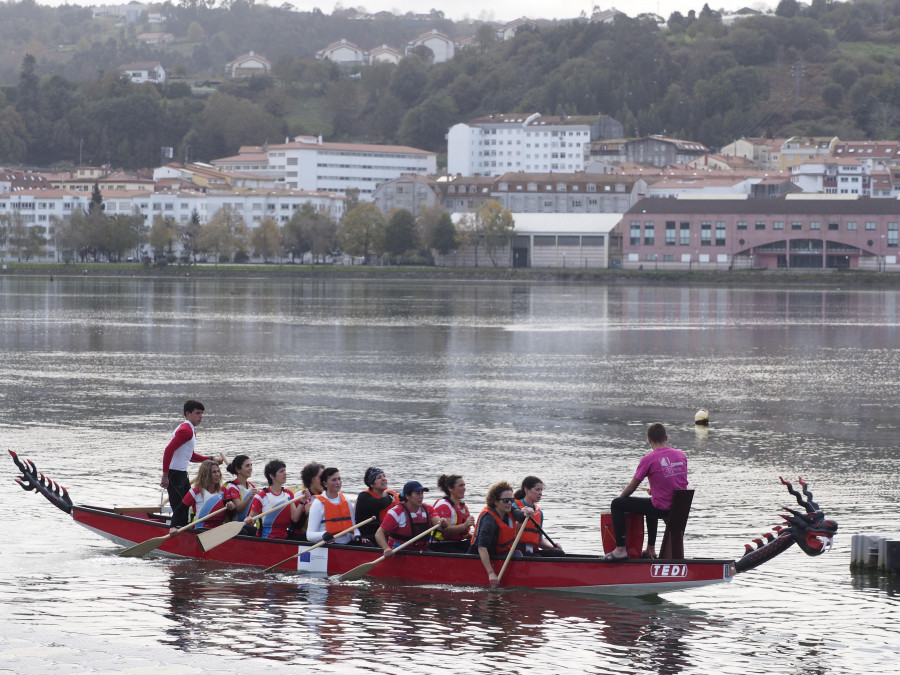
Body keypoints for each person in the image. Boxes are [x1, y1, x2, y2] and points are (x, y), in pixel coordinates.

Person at [605, 422, 688, 561]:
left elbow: (631, 488)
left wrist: (621, 499)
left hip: (662, 508)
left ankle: (620, 550)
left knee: (617, 504)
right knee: (651, 504)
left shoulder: (648, 459)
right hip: (679, 509)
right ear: (666, 438)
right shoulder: (681, 455)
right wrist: (656, 491)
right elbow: (674, 481)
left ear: (649, 440)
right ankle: (650, 548)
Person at [160, 400, 222, 528]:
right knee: (180, 509)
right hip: (174, 475)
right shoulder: (186, 430)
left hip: (182, 475)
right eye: (197, 413)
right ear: (188, 414)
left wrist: (210, 459)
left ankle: (188, 529)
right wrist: (165, 475)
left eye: (202, 413)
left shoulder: (191, 430)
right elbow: (168, 450)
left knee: (188, 506)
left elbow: (191, 456)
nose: (201, 417)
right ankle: (176, 533)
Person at [470, 481, 534, 588]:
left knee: (518, 553)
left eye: (511, 500)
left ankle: (523, 579)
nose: (509, 503)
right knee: (517, 554)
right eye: (506, 500)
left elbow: (520, 516)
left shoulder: (510, 509)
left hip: (498, 553)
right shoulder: (489, 519)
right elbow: (482, 548)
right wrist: (491, 573)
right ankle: (521, 580)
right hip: (481, 556)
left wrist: (526, 512)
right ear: (495, 501)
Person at [375, 481, 447, 556]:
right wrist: (386, 548)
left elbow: (441, 527)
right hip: (399, 553)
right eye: (418, 493)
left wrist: (443, 523)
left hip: (421, 551)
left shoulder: (428, 509)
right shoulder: (396, 512)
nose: (421, 496)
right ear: (407, 496)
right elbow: (379, 533)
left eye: (422, 493)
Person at [246, 459, 308, 539]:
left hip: (284, 539)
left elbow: (294, 519)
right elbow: (252, 522)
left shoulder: (288, 494)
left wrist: (302, 502)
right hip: (265, 539)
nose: (285, 473)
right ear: (271, 476)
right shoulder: (261, 496)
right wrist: (248, 520)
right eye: (281, 471)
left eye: (285, 470)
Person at [306, 467, 364, 545]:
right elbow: (309, 535)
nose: (338, 482)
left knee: (368, 545)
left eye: (339, 479)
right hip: (330, 546)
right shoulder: (318, 504)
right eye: (334, 480)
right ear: (325, 484)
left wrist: (356, 536)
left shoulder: (346, 501)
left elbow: (353, 527)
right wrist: (323, 535)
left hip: (347, 545)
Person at [514, 476, 565, 557]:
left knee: (558, 553)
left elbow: (539, 540)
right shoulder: (514, 507)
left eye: (541, 490)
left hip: (533, 551)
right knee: (537, 557)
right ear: (526, 490)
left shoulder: (539, 513)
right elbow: (509, 532)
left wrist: (553, 547)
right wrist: (523, 516)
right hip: (516, 552)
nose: (540, 493)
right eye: (537, 490)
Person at [171, 459, 226, 532]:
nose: (218, 474)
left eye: (218, 471)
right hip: (201, 529)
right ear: (206, 474)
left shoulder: (223, 491)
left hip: (219, 528)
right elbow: (179, 510)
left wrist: (231, 507)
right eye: (214, 472)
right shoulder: (195, 492)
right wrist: (173, 526)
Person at [430, 474, 475, 553]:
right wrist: (465, 525)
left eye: (464, 485)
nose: (464, 488)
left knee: (480, 545)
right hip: (439, 545)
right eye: (460, 486)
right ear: (450, 488)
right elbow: (448, 531)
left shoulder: (463, 507)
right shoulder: (444, 505)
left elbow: (464, 534)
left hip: (455, 543)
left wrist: (476, 538)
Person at [355, 467, 400, 540]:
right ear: (372, 484)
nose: (384, 479)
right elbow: (380, 504)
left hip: (388, 535)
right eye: (379, 477)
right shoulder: (364, 497)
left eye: (384, 476)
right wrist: (391, 497)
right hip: (368, 536)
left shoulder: (393, 494)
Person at [290, 462, 325, 540]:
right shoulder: (300, 495)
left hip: (318, 534)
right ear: (311, 479)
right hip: (301, 536)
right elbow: (294, 524)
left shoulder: (323, 494)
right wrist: (305, 514)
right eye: (321, 477)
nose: (324, 481)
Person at [223, 454, 256, 522]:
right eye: (247, 466)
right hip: (235, 525)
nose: (250, 468)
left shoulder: (251, 486)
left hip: (248, 523)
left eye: (251, 465)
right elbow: (239, 509)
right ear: (238, 469)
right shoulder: (232, 487)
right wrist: (250, 497)